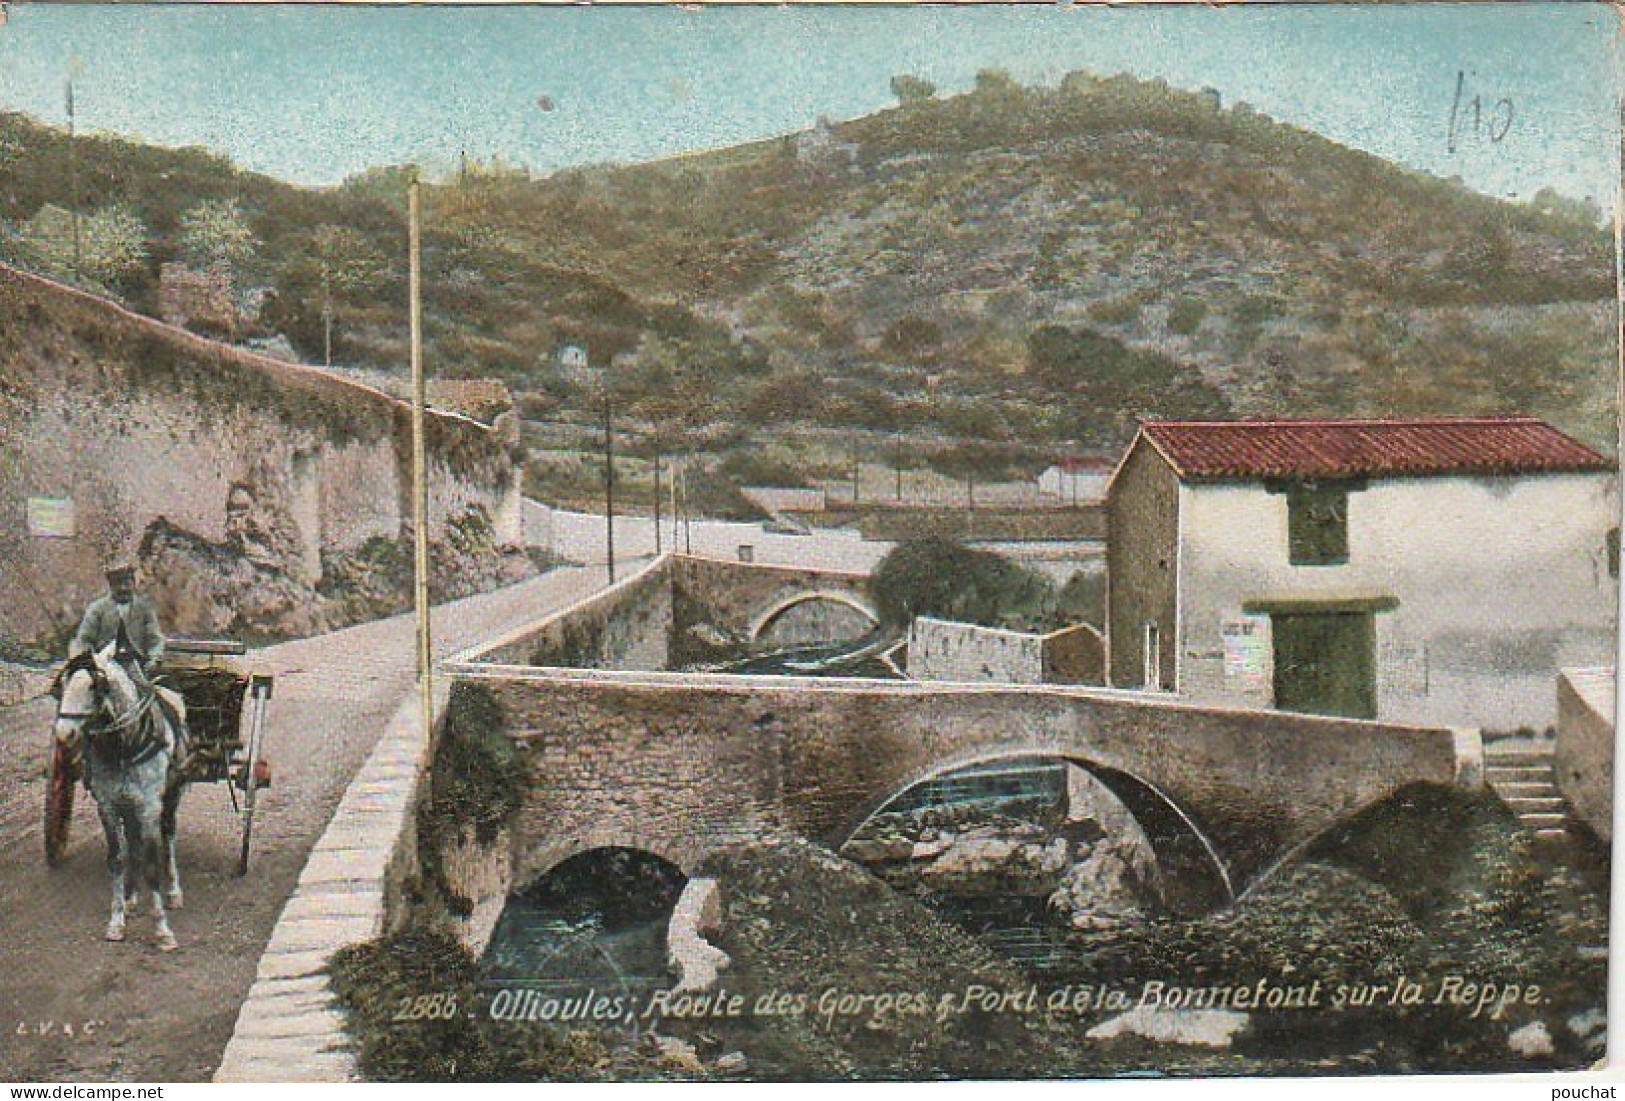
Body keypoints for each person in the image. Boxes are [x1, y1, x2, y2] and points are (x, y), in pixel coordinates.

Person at [70, 564, 166, 675]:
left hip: (135, 662)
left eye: (127, 584)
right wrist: (90, 659)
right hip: (102, 662)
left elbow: (155, 638)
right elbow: (84, 639)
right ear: (111, 586)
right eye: (118, 585)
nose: (123, 588)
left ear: (133, 584)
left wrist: (153, 658)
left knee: (143, 688)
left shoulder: (144, 609)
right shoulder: (97, 608)